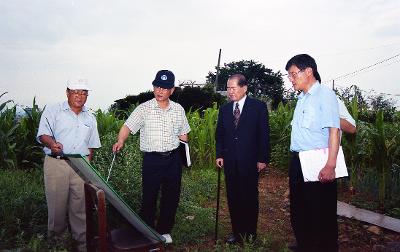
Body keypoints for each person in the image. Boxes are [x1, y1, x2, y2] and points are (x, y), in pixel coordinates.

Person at [112, 70, 190, 244]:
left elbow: (184, 135)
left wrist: (185, 156)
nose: (160, 91)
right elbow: (127, 127)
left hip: (173, 159)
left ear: (172, 90)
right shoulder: (144, 109)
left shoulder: (178, 110)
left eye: (165, 88)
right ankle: (146, 232)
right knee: (149, 196)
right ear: (153, 87)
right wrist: (120, 140)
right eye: (157, 87)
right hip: (152, 160)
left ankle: (164, 231)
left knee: (171, 196)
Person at [36, 78, 101, 251]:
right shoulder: (53, 110)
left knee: (80, 210)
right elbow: (43, 134)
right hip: (57, 165)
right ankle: (57, 246)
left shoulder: (90, 117)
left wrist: (88, 170)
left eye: (84, 93)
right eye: (76, 92)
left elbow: (91, 147)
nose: (80, 96)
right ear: (67, 93)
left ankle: (81, 246)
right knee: (57, 211)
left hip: (81, 166)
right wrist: (52, 144)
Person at [286, 54, 341, 252]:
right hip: (298, 161)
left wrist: (330, 165)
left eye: (293, 74)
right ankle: (305, 245)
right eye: (289, 76)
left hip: (318, 161)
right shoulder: (302, 99)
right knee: (299, 208)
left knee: (321, 211)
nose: (291, 79)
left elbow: (335, 131)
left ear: (308, 71)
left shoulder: (324, 95)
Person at [215, 74, 270, 243]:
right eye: (228, 88)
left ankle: (250, 234)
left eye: (233, 88)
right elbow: (220, 135)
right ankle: (237, 232)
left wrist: (262, 158)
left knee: (249, 197)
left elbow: (264, 134)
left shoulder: (258, 107)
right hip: (230, 161)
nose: (229, 92)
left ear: (244, 88)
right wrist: (220, 154)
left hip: (250, 160)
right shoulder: (225, 109)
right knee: (233, 197)